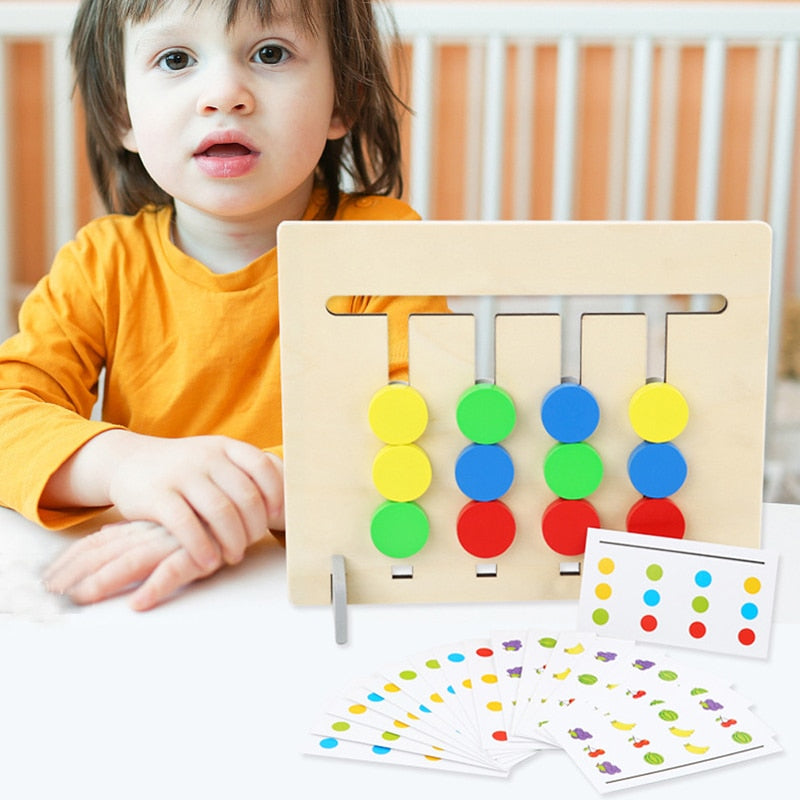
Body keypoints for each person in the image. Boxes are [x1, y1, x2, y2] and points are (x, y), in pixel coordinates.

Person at [0, 0, 447, 610]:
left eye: (270, 53)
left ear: (342, 100)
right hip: (153, 597)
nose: (224, 94)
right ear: (120, 114)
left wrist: (244, 498)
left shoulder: (379, 249)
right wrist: (128, 467)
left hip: (331, 588)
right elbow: (10, 410)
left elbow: (428, 428)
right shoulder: (101, 264)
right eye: (176, 58)